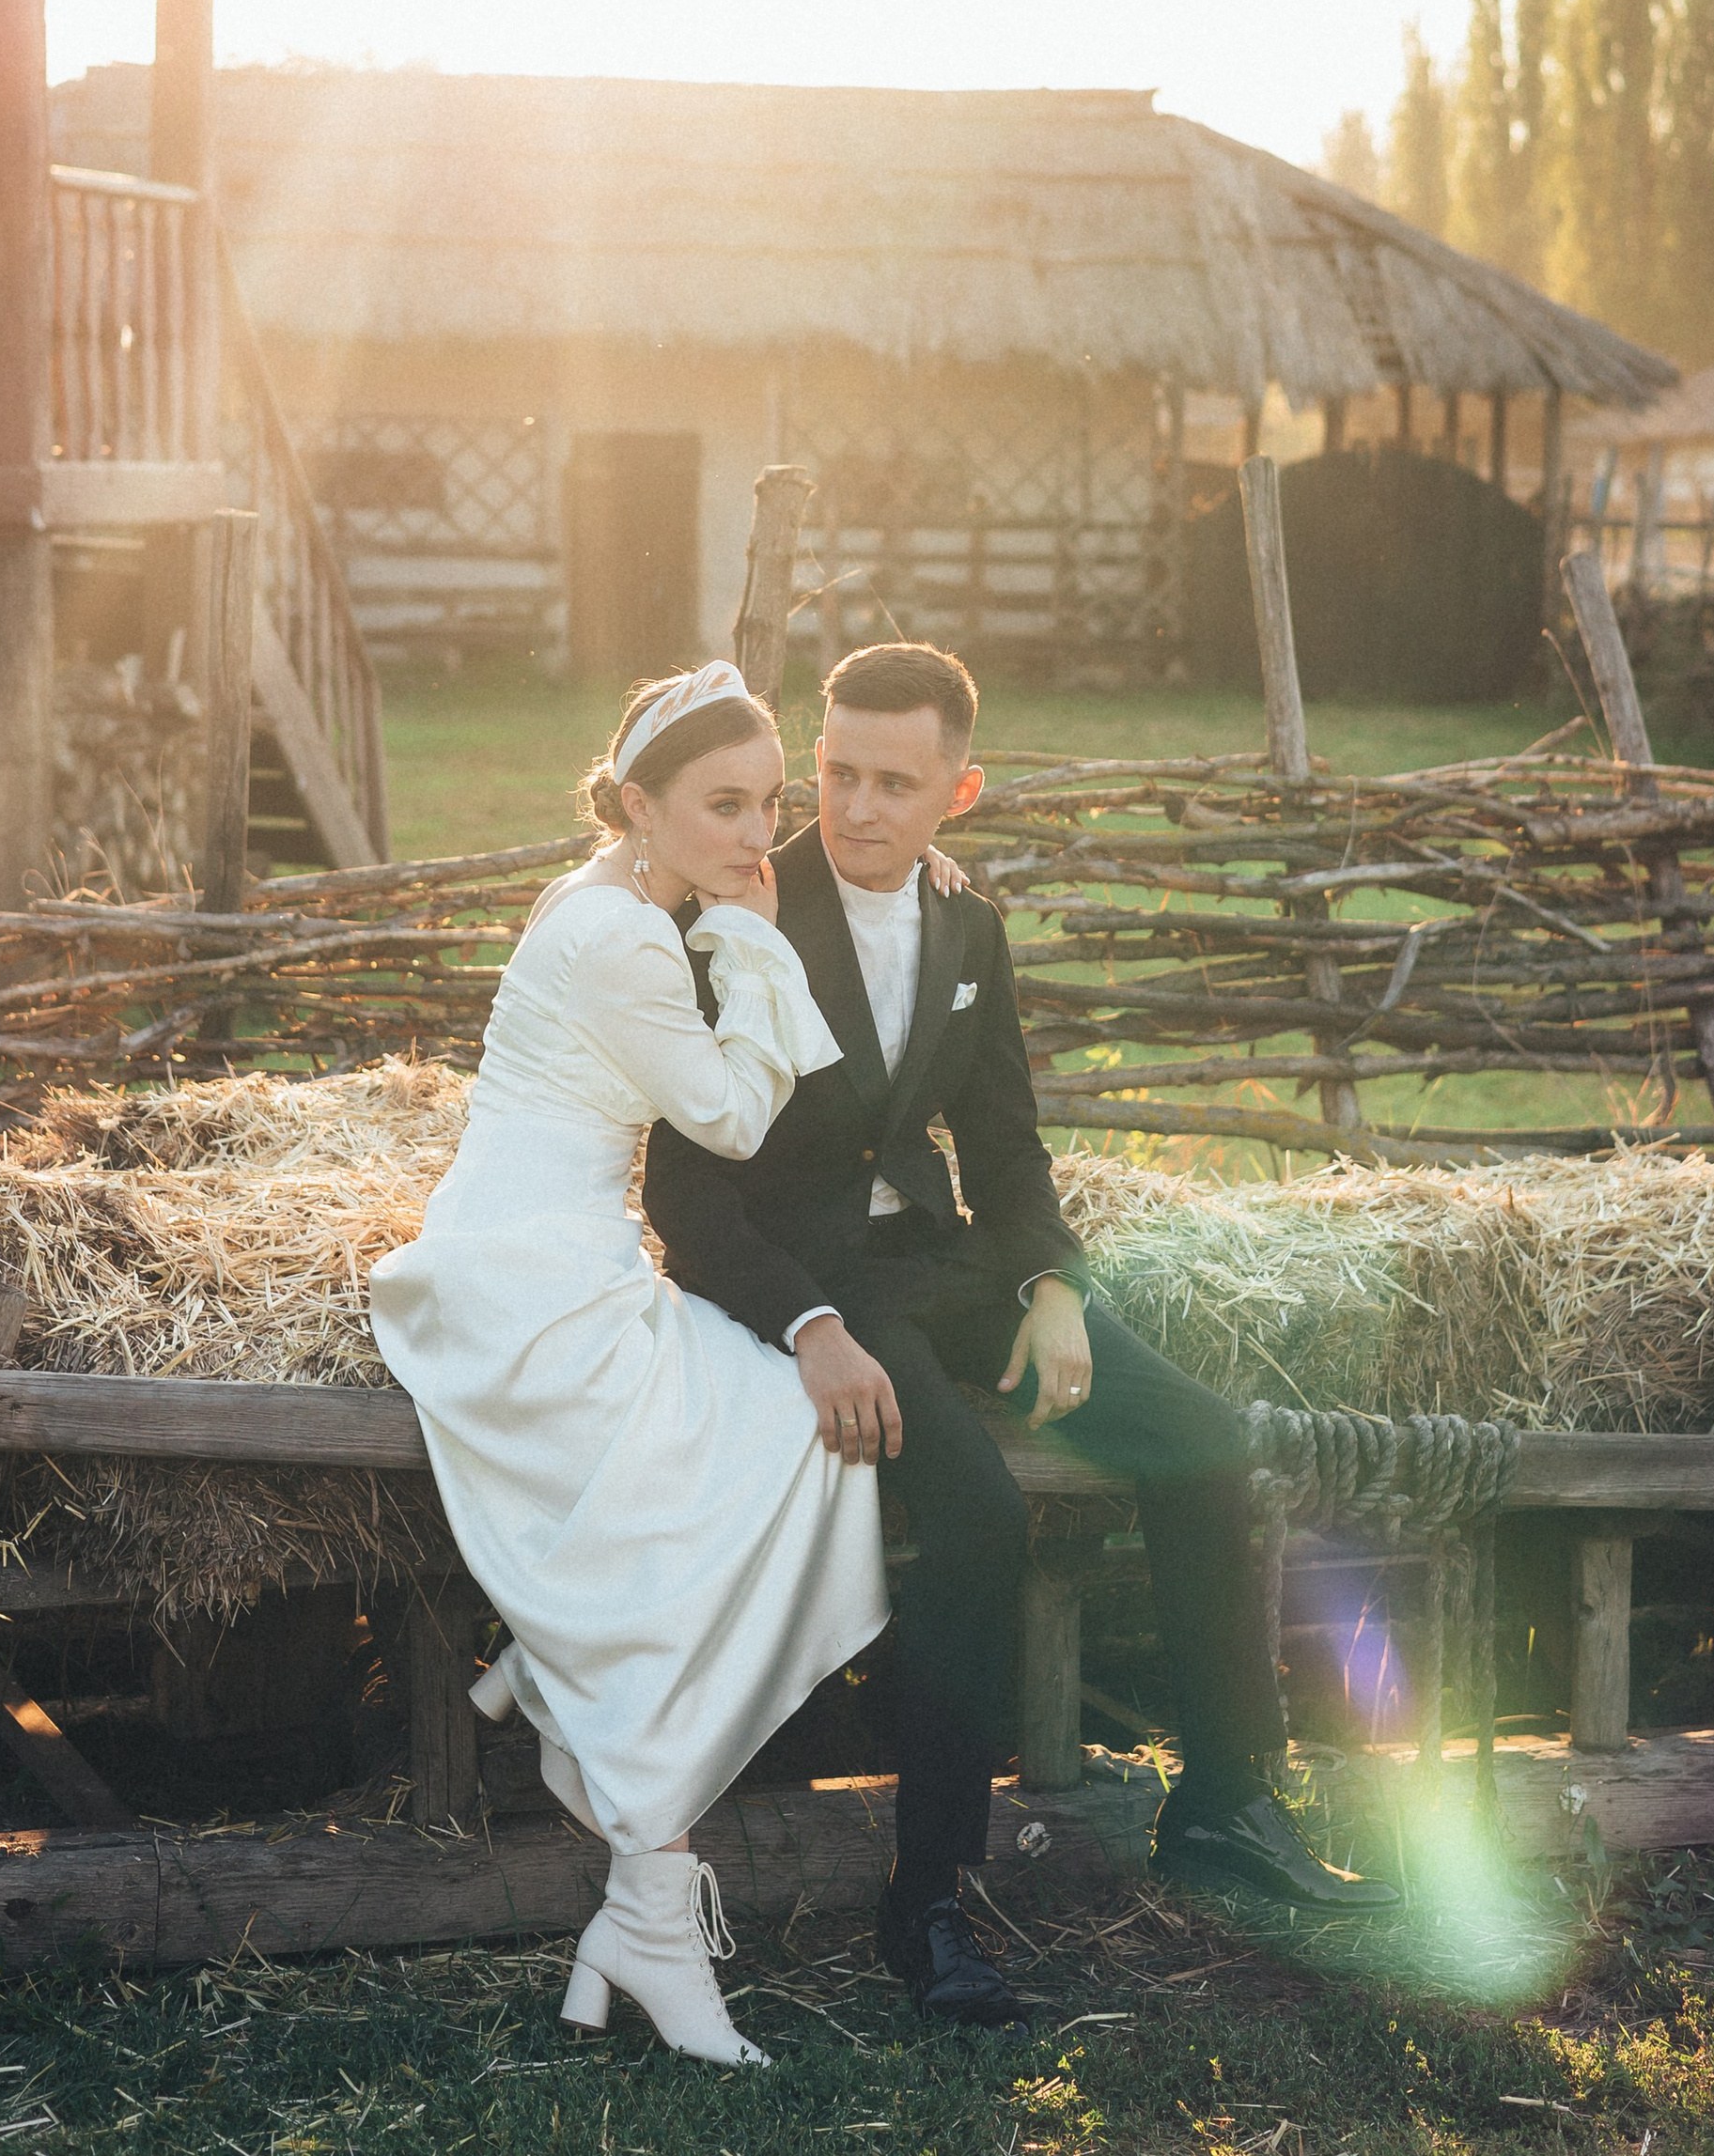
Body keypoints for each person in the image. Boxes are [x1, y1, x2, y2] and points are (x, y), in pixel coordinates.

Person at [645, 638, 1395, 2031]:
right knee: (981, 1512)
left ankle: (1225, 1804)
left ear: (961, 791)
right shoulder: (738, 907)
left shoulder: (967, 929)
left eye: (895, 783)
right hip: (820, 1284)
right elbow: (685, 1193)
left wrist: (1054, 1286)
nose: (856, 808)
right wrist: (808, 1325)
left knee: (1204, 1443)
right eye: (837, 773)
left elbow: (1005, 1143)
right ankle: (927, 1896)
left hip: (954, 1264)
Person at [368, 661, 890, 2067]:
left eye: (769, 804)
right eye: (724, 806)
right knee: (787, 1441)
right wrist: (761, 946)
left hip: (540, 1253)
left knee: (762, 1438)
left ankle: (620, 1847)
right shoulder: (627, 938)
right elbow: (728, 1122)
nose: (756, 836)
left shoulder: (607, 897)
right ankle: (592, 1757)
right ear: (640, 805)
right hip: (528, 1284)